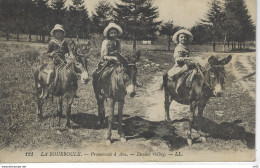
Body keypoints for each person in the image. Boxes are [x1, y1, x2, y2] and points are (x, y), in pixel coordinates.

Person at [43, 24, 70, 99]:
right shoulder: (52, 42)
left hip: (63, 62)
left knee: (70, 71)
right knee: (51, 72)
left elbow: (67, 51)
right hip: (54, 61)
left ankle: (70, 90)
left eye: (60, 32)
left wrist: (67, 55)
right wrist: (51, 54)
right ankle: (47, 89)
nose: (58, 33)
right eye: (57, 32)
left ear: (62, 33)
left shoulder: (64, 42)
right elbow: (47, 53)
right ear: (54, 33)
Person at [168, 29, 197, 93]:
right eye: (181, 37)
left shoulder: (185, 47)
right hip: (180, 65)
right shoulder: (178, 47)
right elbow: (177, 58)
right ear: (178, 39)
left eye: (185, 37)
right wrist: (185, 59)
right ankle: (178, 88)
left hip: (187, 63)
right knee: (182, 74)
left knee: (196, 70)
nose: (183, 38)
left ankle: (193, 85)